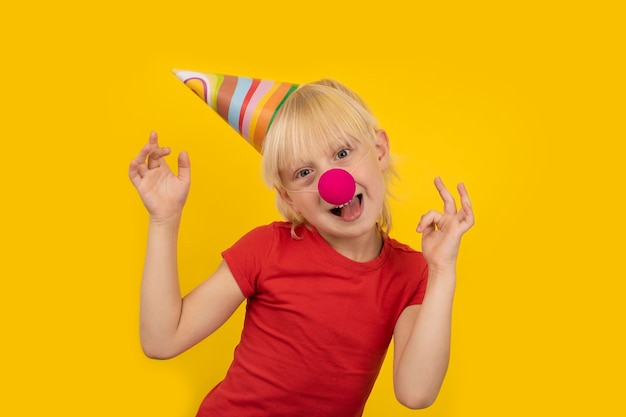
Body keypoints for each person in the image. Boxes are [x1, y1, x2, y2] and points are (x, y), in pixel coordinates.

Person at [128, 78, 474, 417]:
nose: (332, 182)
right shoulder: (266, 248)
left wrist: (442, 270)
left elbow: (416, 394)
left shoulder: (411, 272)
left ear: (379, 149)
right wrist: (164, 219)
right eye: (305, 172)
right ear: (288, 198)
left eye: (342, 152)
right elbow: (162, 341)